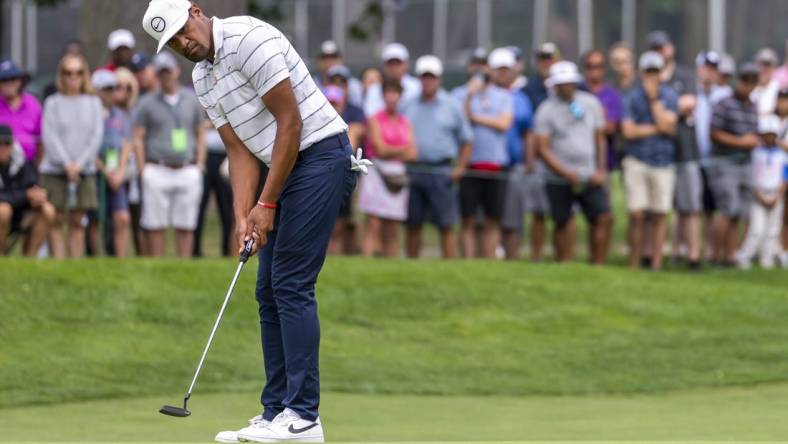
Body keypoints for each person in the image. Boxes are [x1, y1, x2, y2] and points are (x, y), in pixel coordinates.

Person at [142, 1, 362, 442]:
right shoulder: (202, 77)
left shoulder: (248, 39)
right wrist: (244, 217)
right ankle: (277, 410)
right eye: (174, 44)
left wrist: (266, 204)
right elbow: (239, 151)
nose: (185, 44)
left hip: (320, 156)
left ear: (197, 12)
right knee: (267, 289)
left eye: (185, 31)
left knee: (291, 283)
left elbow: (290, 122)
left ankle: (304, 416)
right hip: (284, 167)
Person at [535, 61, 612, 264]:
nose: (565, 87)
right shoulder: (546, 110)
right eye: (561, 83)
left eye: (568, 82)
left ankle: (597, 264)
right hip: (558, 177)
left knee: (602, 217)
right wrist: (564, 173)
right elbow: (542, 148)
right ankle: (564, 264)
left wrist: (600, 169)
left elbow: (600, 138)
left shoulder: (591, 103)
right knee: (562, 221)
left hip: (589, 173)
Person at [132, 51, 206, 258]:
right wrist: (141, 168)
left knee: (186, 223)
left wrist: (200, 163)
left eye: (168, 71)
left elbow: (200, 132)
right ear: (156, 75)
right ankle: (159, 266)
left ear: (177, 71)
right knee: (155, 224)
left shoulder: (191, 99)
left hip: (186, 167)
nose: (166, 76)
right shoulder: (147, 102)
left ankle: (183, 266)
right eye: (161, 73)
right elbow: (137, 136)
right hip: (157, 167)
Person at [403, 55, 472, 259]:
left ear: (439, 79)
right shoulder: (408, 105)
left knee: (446, 223)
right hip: (414, 169)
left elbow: (467, 140)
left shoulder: (452, 105)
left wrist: (460, 168)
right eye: (424, 77)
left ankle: (448, 265)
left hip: (442, 170)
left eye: (431, 77)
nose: (427, 81)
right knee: (413, 223)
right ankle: (412, 265)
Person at [40, 53, 103, 259]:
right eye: (68, 73)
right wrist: (67, 164)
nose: (73, 77)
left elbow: (95, 136)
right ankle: (58, 261)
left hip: (84, 170)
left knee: (78, 219)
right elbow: (50, 136)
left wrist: (79, 165)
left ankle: (75, 263)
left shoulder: (93, 102)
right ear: (61, 75)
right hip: (55, 170)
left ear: (84, 75)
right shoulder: (52, 103)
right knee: (56, 219)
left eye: (78, 72)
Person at [621, 51, 679, 271]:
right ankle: (634, 263)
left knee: (659, 214)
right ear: (641, 72)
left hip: (663, 161)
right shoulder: (631, 96)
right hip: (637, 159)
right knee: (636, 213)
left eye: (656, 71)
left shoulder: (670, 95)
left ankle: (655, 264)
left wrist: (654, 100)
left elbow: (668, 126)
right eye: (648, 72)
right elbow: (628, 131)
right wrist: (659, 127)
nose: (652, 76)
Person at [461, 54, 514, 259]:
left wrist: (477, 118)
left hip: (495, 164)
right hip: (470, 164)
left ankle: (490, 259)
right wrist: (469, 97)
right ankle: (468, 261)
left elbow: (503, 124)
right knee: (468, 218)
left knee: (494, 218)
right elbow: (463, 121)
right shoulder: (462, 94)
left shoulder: (503, 96)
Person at [709, 63, 760, 266]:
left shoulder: (753, 106)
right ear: (738, 82)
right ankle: (715, 256)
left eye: (752, 83)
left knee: (739, 212)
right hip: (725, 164)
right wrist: (741, 142)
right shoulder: (724, 103)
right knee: (727, 210)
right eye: (744, 81)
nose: (747, 86)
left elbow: (753, 134)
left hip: (745, 164)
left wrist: (754, 141)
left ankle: (731, 256)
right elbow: (714, 133)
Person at [359, 79, 417, 258]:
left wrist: (390, 151)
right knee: (374, 223)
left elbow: (413, 153)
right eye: (389, 92)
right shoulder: (375, 119)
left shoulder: (405, 121)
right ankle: (367, 262)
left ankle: (390, 261)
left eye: (396, 93)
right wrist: (402, 149)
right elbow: (379, 148)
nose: (392, 97)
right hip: (377, 172)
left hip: (397, 175)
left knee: (393, 226)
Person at [492, 47, 535, 261]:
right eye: (498, 69)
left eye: (506, 70)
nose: (503, 74)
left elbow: (528, 132)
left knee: (512, 220)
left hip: (514, 166)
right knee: (487, 220)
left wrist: (528, 162)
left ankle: (512, 261)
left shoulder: (521, 99)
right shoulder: (483, 95)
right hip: (487, 167)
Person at [735, 114, 786, 269]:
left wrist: (778, 195)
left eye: (772, 135)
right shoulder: (755, 153)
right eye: (766, 135)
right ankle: (745, 256)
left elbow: (785, 176)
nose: (769, 138)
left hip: (776, 194)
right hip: (758, 194)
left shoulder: (782, 154)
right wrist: (759, 195)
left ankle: (767, 259)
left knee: (772, 230)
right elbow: (752, 176)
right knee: (756, 229)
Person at [92, 70, 132, 258]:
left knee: (122, 218)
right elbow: (88, 146)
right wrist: (104, 170)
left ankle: (120, 261)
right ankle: (98, 258)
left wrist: (121, 170)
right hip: (95, 173)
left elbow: (126, 143)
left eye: (112, 89)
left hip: (116, 174)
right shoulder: (90, 113)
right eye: (105, 89)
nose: (110, 93)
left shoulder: (120, 114)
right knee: (94, 220)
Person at [325, 78, 365, 256]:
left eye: (336, 103)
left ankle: (342, 257)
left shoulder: (350, 124)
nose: (333, 107)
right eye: (330, 103)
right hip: (325, 178)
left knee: (347, 223)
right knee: (330, 224)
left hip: (344, 176)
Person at [0, 125, 54, 256]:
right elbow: (25, 193)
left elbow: (33, 187)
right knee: (4, 210)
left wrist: (39, 195)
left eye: (6, 143)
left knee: (48, 210)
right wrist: (25, 195)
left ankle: (30, 259)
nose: (2, 148)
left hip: (21, 214)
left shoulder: (24, 164)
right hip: (4, 214)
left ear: (12, 145)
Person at [193, 120, 234, 257]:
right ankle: (195, 251)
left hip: (226, 157)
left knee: (226, 208)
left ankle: (227, 251)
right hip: (204, 158)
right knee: (199, 206)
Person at [673, 93, 703, 270]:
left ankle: (690, 253)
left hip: (695, 161)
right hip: (683, 162)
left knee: (691, 209)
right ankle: (686, 253)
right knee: (685, 210)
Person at [581, 49, 623, 171]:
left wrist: (585, 120)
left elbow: (610, 128)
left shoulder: (612, 95)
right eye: (590, 66)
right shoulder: (577, 93)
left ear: (604, 68)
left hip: (605, 163)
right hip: (579, 164)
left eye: (598, 66)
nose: (594, 70)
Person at [0, 59, 42, 164]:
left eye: (13, 79)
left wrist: (38, 167)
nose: (9, 83)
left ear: (20, 81)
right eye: (4, 80)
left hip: (28, 165)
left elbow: (41, 140)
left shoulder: (33, 104)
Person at [363, 43, 421, 116]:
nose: (394, 68)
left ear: (406, 64)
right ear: (384, 66)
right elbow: (371, 116)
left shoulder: (417, 87)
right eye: (390, 63)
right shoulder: (374, 90)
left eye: (398, 63)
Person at [314, 40, 363, 107]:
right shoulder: (312, 83)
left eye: (333, 57)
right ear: (318, 61)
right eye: (324, 57)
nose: (329, 61)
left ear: (340, 59)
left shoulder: (355, 85)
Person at [646, 30, 694, 96]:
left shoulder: (685, 74)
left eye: (661, 47)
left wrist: (668, 102)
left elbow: (690, 100)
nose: (659, 52)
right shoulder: (646, 75)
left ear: (671, 47)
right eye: (655, 49)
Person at [524, 42, 560, 110]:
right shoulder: (528, 89)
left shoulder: (569, 86)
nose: (546, 63)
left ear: (558, 60)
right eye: (542, 59)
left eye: (549, 58)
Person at [752, 48, 780, 116]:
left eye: (767, 65)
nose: (763, 68)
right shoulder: (750, 88)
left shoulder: (779, 89)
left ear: (774, 67)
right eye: (760, 64)